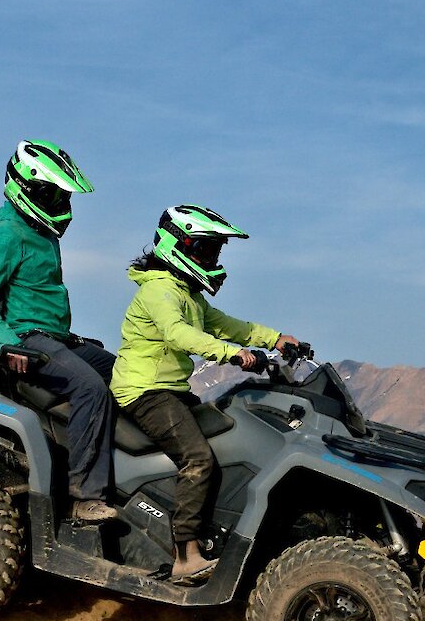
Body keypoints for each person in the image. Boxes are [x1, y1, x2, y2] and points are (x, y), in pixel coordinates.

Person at [111, 204, 303, 581]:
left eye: (215, 251)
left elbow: (229, 325)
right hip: (145, 391)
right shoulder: (159, 291)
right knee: (197, 459)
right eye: (206, 250)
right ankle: (185, 556)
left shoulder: (189, 295)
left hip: (170, 390)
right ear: (178, 246)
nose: (212, 259)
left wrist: (275, 338)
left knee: (223, 446)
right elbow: (179, 333)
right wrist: (233, 355)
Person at [0, 140, 119, 523]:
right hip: (25, 339)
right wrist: (7, 343)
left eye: (63, 195)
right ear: (28, 187)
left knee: (125, 373)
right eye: (54, 193)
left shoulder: (43, 233)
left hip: (56, 338)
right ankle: (85, 497)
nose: (61, 202)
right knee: (90, 387)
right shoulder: (7, 234)